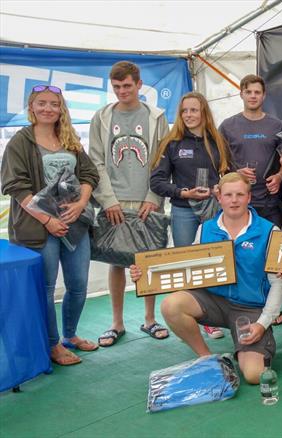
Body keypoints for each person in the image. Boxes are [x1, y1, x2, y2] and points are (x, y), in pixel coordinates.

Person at [129, 172, 282, 384]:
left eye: (240, 194)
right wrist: (145, 273)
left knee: (253, 376)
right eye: (229, 195)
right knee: (171, 305)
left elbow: (279, 284)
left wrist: (262, 323)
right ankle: (208, 359)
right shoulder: (206, 228)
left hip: (250, 308)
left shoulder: (269, 231)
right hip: (214, 301)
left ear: (249, 198)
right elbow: (184, 267)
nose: (234, 200)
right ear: (219, 197)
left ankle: (251, 347)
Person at [1, 85, 99, 365]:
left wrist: (80, 203)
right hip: (37, 228)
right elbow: (15, 187)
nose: (48, 108)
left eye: (53, 104)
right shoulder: (20, 142)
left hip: (74, 226)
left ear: (61, 109)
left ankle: (70, 335)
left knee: (78, 285)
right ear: (31, 107)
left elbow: (89, 173)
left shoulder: (68, 138)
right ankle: (52, 345)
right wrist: (48, 219)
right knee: (45, 289)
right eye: (41, 103)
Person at [89, 61, 170, 347]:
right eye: (117, 86)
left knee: (147, 261)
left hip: (147, 200)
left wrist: (155, 196)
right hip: (115, 201)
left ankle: (149, 319)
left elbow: (163, 158)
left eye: (127, 85)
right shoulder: (101, 117)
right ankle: (117, 323)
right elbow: (95, 161)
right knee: (116, 261)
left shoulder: (156, 116)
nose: (122, 91)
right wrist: (107, 199)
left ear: (138, 84)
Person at [150, 91, 231, 339]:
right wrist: (183, 193)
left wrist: (220, 187)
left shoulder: (217, 140)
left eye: (194, 110)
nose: (189, 115)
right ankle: (195, 316)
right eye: (184, 111)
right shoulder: (171, 142)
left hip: (214, 210)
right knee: (186, 264)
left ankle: (217, 315)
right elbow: (157, 181)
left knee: (216, 261)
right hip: (183, 210)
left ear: (203, 112)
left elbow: (229, 172)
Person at [219, 74, 282, 326]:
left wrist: (280, 176)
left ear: (264, 95)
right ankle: (241, 304)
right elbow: (220, 163)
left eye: (257, 92)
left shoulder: (276, 125)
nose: (252, 96)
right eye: (248, 92)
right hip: (239, 204)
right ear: (241, 94)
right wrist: (236, 174)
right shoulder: (228, 126)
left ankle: (273, 309)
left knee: (270, 258)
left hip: (269, 200)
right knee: (241, 257)